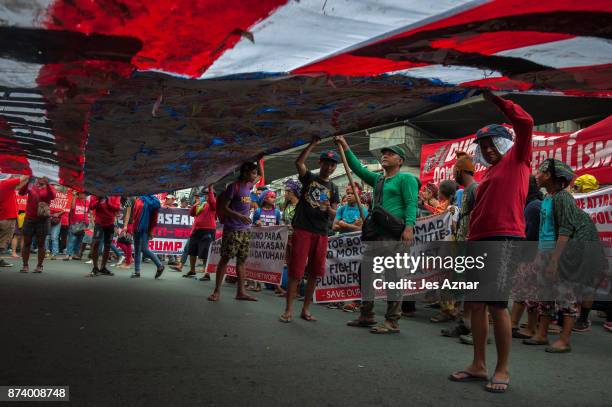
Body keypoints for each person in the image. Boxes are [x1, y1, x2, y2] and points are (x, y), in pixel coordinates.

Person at [449, 91, 533, 394]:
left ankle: (502, 368)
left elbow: (526, 122)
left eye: (492, 143)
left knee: (498, 306)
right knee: (475, 305)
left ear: (505, 143)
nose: (488, 149)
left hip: (505, 238)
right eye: (483, 145)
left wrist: (498, 100)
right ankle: (479, 364)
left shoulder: (519, 158)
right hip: (479, 240)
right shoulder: (488, 173)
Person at [334, 136, 418, 333]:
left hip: (393, 236)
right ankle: (367, 314)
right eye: (384, 153)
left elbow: (411, 203)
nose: (385, 155)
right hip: (376, 236)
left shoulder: (406, 179)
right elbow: (358, 169)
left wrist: (409, 227)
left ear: (400, 160)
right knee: (366, 273)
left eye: (390, 153)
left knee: (393, 278)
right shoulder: (378, 179)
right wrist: (346, 147)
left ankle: (392, 321)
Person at [522, 159, 605, 353]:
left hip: (561, 254)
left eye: (541, 171)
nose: (537, 173)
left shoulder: (562, 198)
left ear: (550, 175)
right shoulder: (549, 198)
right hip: (546, 251)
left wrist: (554, 260)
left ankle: (564, 340)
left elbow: (565, 231)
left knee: (566, 294)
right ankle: (542, 334)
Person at [279, 137, 339, 323]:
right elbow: (299, 162)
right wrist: (313, 144)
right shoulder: (309, 178)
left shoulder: (334, 188)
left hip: (321, 233)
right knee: (296, 270)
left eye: (333, 164)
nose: (329, 167)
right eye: (327, 163)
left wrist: (329, 209)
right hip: (303, 229)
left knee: (315, 272)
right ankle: (288, 310)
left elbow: (334, 213)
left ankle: (305, 309)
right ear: (320, 162)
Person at [207, 160, 263, 302]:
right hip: (232, 229)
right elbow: (225, 207)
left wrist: (261, 159)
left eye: (255, 172)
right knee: (225, 259)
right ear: (245, 173)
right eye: (253, 172)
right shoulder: (234, 187)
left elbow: (261, 175)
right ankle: (216, 291)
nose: (255, 175)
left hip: (245, 230)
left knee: (241, 261)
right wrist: (239, 216)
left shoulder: (249, 186)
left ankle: (241, 292)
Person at [441, 152, 479, 340]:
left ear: (460, 171)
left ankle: (476, 329)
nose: (453, 174)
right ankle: (464, 324)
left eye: (455, 170)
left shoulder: (474, 189)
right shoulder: (463, 191)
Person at [510, 176, 543, 339]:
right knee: (522, 291)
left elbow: (532, 235)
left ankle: (528, 327)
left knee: (527, 291)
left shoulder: (533, 206)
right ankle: (513, 323)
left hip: (532, 255)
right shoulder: (532, 205)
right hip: (532, 254)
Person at [571, 174, 600, 332]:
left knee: (581, 285)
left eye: (577, 186)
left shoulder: (574, 204)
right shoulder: (601, 201)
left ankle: (578, 318)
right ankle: (581, 319)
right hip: (594, 250)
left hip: (581, 249)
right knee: (587, 286)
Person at [18, 176, 56, 273]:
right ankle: (25, 265)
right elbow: (21, 192)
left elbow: (53, 196)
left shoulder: (49, 186)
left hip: (42, 220)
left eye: (43, 177)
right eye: (39, 177)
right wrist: (28, 182)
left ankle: (39, 266)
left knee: (41, 244)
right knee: (27, 243)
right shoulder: (32, 186)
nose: (40, 178)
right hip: (29, 219)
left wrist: (47, 184)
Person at [181, 186, 216, 281]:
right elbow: (191, 213)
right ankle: (192, 270)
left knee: (205, 252)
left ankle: (207, 273)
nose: (205, 197)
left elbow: (212, 201)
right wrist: (196, 204)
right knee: (191, 251)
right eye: (204, 195)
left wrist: (210, 189)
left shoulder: (213, 204)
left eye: (207, 195)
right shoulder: (201, 205)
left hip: (208, 230)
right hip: (196, 230)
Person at [130, 194, 164, 278]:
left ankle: (159, 265)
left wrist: (151, 230)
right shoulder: (139, 198)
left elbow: (154, 218)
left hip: (145, 228)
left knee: (144, 249)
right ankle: (137, 271)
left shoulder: (153, 201)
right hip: (136, 227)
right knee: (137, 250)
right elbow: (134, 214)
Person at [88, 195, 121, 276]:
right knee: (95, 243)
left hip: (110, 223)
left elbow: (117, 208)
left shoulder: (115, 194)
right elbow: (91, 207)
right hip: (99, 223)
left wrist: (107, 200)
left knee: (107, 245)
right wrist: (99, 200)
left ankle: (103, 268)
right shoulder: (96, 192)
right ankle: (95, 268)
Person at [0, 175, 29, 267]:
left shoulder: (5, 184)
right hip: (7, 217)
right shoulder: (6, 183)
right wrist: (32, 169)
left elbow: (19, 185)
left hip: (3, 216)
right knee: (3, 241)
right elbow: (23, 178)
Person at [64, 192, 89, 261]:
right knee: (72, 239)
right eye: (81, 193)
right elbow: (72, 207)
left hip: (84, 224)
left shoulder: (87, 202)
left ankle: (76, 254)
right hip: (74, 223)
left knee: (80, 240)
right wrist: (74, 196)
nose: (83, 195)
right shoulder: (75, 199)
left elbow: (88, 212)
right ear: (78, 194)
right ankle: (68, 254)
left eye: (84, 194)